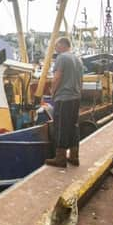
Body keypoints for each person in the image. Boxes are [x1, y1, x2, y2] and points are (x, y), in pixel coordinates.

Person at [45, 37, 83, 168]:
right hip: (76, 98)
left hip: (63, 98)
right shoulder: (78, 60)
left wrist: (52, 92)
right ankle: (74, 156)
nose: (55, 48)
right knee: (73, 126)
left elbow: (57, 77)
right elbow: (81, 81)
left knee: (61, 127)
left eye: (56, 45)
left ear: (62, 45)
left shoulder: (62, 58)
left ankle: (60, 159)